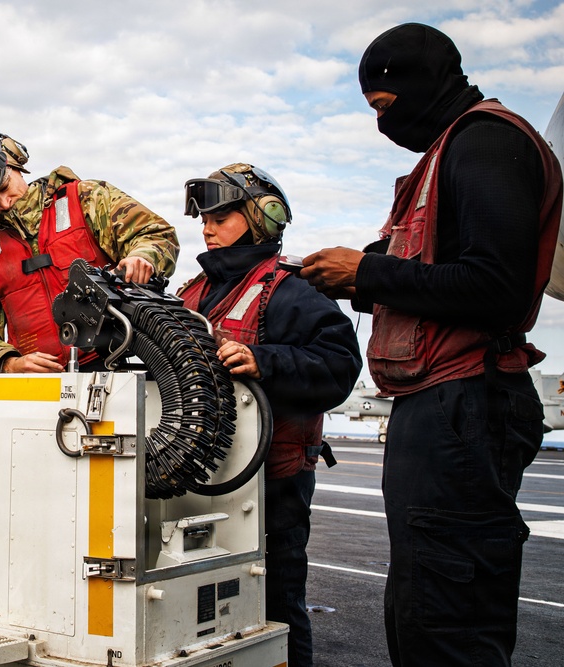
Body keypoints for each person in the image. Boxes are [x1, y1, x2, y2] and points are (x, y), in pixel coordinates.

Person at [300, 24, 562, 666]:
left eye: (384, 108)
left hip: (465, 399)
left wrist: (366, 273)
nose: (382, 125)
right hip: (441, 403)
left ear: (418, 83)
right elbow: (436, 275)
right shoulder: (445, 154)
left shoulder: (485, 142)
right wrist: (356, 274)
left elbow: (495, 286)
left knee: (449, 619)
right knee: (422, 607)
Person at [177, 163, 361, 667]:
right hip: (201, 480)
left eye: (220, 215)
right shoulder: (192, 293)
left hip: (273, 485)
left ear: (261, 218)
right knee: (202, 610)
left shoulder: (293, 290)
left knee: (275, 608)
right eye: (204, 218)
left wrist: (266, 360)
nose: (207, 227)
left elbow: (341, 367)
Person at [0, 133, 179, 372]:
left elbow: (155, 233)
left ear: (15, 163)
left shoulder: (87, 199)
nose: (4, 203)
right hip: (39, 386)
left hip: (123, 368)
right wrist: (8, 363)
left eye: (5, 188)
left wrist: (142, 257)